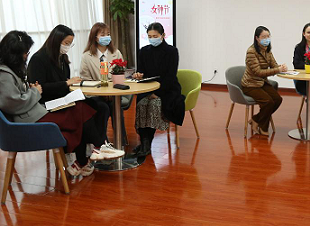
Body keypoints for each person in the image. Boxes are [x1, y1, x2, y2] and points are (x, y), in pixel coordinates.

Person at [1, 30, 123, 178]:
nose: (26, 56)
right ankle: (98, 147)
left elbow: (19, 95)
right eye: (25, 53)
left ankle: (89, 155)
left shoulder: (12, 70)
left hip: (34, 112)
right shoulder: (5, 74)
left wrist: (32, 90)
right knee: (80, 110)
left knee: (82, 109)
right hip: (29, 119)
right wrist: (35, 91)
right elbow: (14, 103)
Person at [132, 22, 185, 156]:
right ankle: (144, 141)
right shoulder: (144, 51)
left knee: (153, 105)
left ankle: (147, 144)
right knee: (141, 104)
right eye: (149, 36)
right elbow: (141, 71)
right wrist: (138, 75)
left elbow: (170, 76)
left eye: (155, 36)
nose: (152, 39)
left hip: (167, 89)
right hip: (147, 88)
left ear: (163, 35)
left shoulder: (172, 51)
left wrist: (157, 93)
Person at [80, 22, 131, 145]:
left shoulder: (116, 53)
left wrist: (111, 92)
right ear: (95, 37)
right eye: (102, 35)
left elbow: (121, 74)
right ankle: (102, 142)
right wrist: (101, 92)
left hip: (114, 93)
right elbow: (85, 79)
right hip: (96, 95)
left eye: (108, 34)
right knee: (103, 107)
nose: (106, 37)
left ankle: (121, 142)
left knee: (115, 107)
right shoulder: (86, 56)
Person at [241, 26, 287, 136]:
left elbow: (274, 65)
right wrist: (277, 70)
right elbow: (258, 72)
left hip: (261, 83)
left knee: (277, 99)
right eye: (263, 37)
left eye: (268, 36)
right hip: (250, 84)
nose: (266, 39)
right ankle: (263, 127)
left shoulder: (267, 50)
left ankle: (256, 120)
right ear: (257, 38)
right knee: (268, 102)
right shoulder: (251, 51)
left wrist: (281, 67)